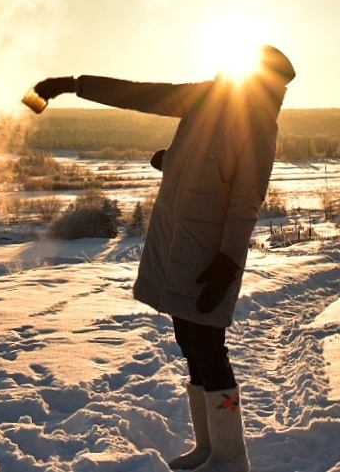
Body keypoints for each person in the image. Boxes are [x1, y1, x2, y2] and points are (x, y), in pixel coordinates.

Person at [30, 45, 295, 472]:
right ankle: (209, 449)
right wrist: (75, 86)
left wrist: (228, 262)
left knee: (210, 350)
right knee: (189, 345)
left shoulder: (258, 125)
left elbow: (245, 199)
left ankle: (231, 458)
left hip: (210, 254)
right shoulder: (206, 98)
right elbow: (140, 94)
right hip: (176, 242)